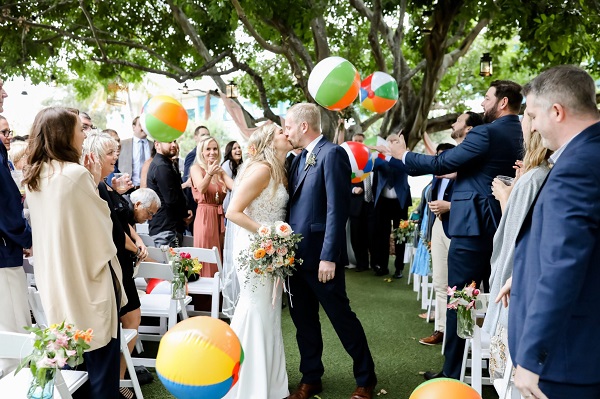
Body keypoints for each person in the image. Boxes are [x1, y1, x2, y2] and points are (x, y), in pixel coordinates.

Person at [381, 80, 524, 380]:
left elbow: (442, 160)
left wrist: (403, 156)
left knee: (461, 297)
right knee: (492, 296)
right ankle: (491, 364)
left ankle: (454, 370)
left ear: (502, 102)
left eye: (487, 98)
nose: (482, 104)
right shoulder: (521, 132)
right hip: (504, 225)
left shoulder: (486, 132)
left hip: (473, 228)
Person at [508, 65, 600, 399]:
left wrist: (532, 358)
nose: (530, 125)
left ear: (557, 112)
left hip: (566, 360)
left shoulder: (576, 168)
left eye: (532, 115)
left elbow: (564, 263)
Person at [23, 107, 126, 398]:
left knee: (71, 370)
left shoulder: (35, 176)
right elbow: (103, 232)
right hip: (86, 283)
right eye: (80, 130)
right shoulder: (75, 174)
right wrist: (94, 183)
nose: (85, 135)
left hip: (56, 283)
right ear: (64, 134)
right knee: (101, 373)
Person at [285, 103, 377, 399]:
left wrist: (329, 256)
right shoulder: (297, 160)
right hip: (294, 257)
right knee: (303, 322)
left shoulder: (332, 154)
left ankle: (366, 378)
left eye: (288, 125)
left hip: (321, 258)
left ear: (303, 126)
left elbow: (337, 210)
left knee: (342, 318)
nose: (286, 131)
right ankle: (311, 377)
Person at [221, 123, 292, 399]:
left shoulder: (279, 168)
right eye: (280, 132)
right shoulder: (262, 169)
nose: (286, 134)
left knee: (269, 312)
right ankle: (246, 384)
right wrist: (269, 233)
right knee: (256, 309)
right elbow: (233, 212)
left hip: (271, 246)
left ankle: (271, 384)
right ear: (270, 142)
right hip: (255, 247)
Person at [82, 132, 149, 399]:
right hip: (115, 262)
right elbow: (110, 226)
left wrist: (137, 238)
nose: (115, 156)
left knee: (130, 319)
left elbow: (124, 219)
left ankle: (120, 377)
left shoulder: (107, 185)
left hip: (123, 260)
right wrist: (134, 247)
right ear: (95, 155)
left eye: (116, 151)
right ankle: (118, 381)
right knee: (129, 319)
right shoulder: (96, 187)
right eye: (110, 152)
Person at [0, 80, 32, 375]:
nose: (5, 93)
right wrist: (26, 237)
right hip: (3, 252)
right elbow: (6, 204)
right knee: (14, 332)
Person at [189, 136, 233, 277]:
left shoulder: (220, 171)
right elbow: (201, 188)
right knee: (207, 256)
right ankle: (204, 298)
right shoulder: (196, 168)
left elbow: (235, 187)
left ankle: (218, 297)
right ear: (202, 152)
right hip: (205, 217)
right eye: (208, 149)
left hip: (219, 218)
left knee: (219, 257)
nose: (212, 152)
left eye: (215, 149)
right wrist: (209, 173)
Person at [371, 133, 412, 278]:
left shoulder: (405, 157)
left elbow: (403, 168)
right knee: (382, 235)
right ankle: (382, 266)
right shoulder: (380, 158)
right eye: (390, 141)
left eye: (396, 141)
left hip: (400, 202)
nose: (393, 143)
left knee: (400, 236)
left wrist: (390, 155)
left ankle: (399, 268)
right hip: (383, 202)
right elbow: (372, 166)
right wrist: (378, 153)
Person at [147, 139, 192, 247]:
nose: (173, 145)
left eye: (175, 141)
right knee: (171, 263)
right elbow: (172, 199)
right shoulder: (161, 166)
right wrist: (185, 214)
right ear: (157, 144)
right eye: (168, 142)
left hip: (169, 228)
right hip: (166, 230)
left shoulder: (166, 163)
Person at [119, 116, 153, 189]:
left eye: (146, 126)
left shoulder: (154, 146)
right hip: (127, 188)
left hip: (149, 189)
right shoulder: (122, 144)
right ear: (133, 127)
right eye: (141, 125)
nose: (144, 128)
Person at [221, 140, 243, 214]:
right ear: (229, 152)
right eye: (234, 148)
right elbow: (228, 184)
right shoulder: (228, 163)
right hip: (229, 203)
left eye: (239, 147)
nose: (238, 150)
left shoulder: (241, 166)